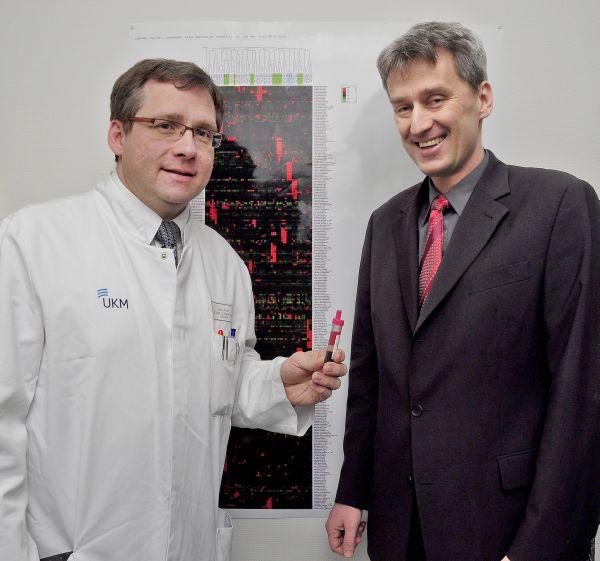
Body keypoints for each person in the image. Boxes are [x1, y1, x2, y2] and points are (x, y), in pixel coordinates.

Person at [0, 59, 347, 561]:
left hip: (191, 545)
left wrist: (277, 385)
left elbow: (213, 384)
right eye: (166, 125)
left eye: (203, 133)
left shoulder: (224, 263)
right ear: (117, 135)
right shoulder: (35, 242)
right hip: (72, 549)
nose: (188, 148)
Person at [326, 21, 599, 561]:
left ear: (483, 98)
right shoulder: (385, 224)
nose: (418, 123)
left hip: (507, 529)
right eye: (403, 107)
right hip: (401, 529)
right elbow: (371, 375)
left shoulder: (559, 205)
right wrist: (353, 491)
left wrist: (538, 548)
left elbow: (583, 392)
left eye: (436, 99)